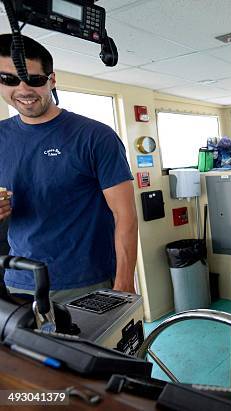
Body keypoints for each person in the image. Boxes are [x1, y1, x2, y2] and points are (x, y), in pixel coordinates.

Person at [0, 34, 137, 302]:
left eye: (35, 79)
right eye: (9, 79)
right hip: (20, 282)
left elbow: (125, 215)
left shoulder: (95, 136)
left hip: (88, 282)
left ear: (52, 80)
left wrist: (123, 282)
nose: (24, 89)